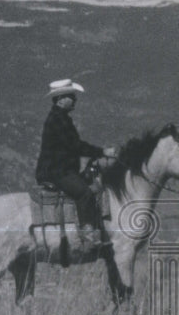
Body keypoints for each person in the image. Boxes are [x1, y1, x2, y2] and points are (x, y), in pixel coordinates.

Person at [34, 79, 117, 247]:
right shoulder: (58, 120)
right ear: (61, 99)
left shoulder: (60, 117)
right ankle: (88, 236)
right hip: (57, 172)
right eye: (71, 96)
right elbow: (75, 145)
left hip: (61, 170)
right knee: (84, 193)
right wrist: (102, 152)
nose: (74, 99)